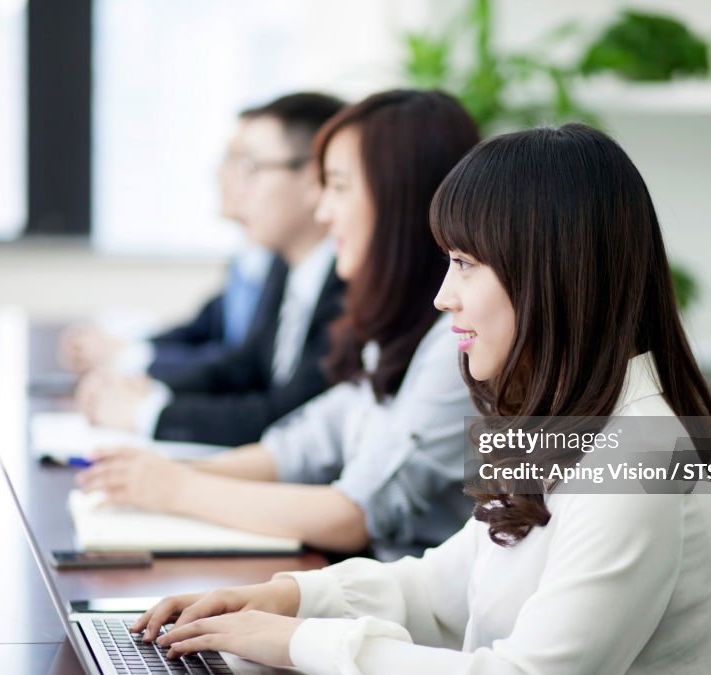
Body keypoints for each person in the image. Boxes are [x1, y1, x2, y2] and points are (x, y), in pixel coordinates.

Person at [126, 124, 711, 675]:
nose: (443, 296)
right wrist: (285, 597)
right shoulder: (561, 422)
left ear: (550, 274)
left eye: (465, 263)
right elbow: (443, 590)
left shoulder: (639, 457)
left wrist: (299, 641)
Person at [76, 90, 482, 560]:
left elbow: (353, 515)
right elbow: (303, 443)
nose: (322, 210)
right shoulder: (392, 331)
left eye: (338, 187)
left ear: (399, 200)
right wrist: (159, 475)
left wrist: (179, 488)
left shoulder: (455, 344)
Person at [73, 92, 348, 446]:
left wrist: (149, 412)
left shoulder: (347, 282)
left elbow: (288, 413)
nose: (230, 182)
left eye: (249, 167)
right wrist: (149, 390)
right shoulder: (286, 266)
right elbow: (241, 368)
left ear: (313, 179)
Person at [59, 117, 274, 382]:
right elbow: (200, 332)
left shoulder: (284, 266)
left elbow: (238, 365)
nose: (220, 173)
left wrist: (129, 356)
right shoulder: (248, 258)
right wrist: (125, 347)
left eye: (243, 162)